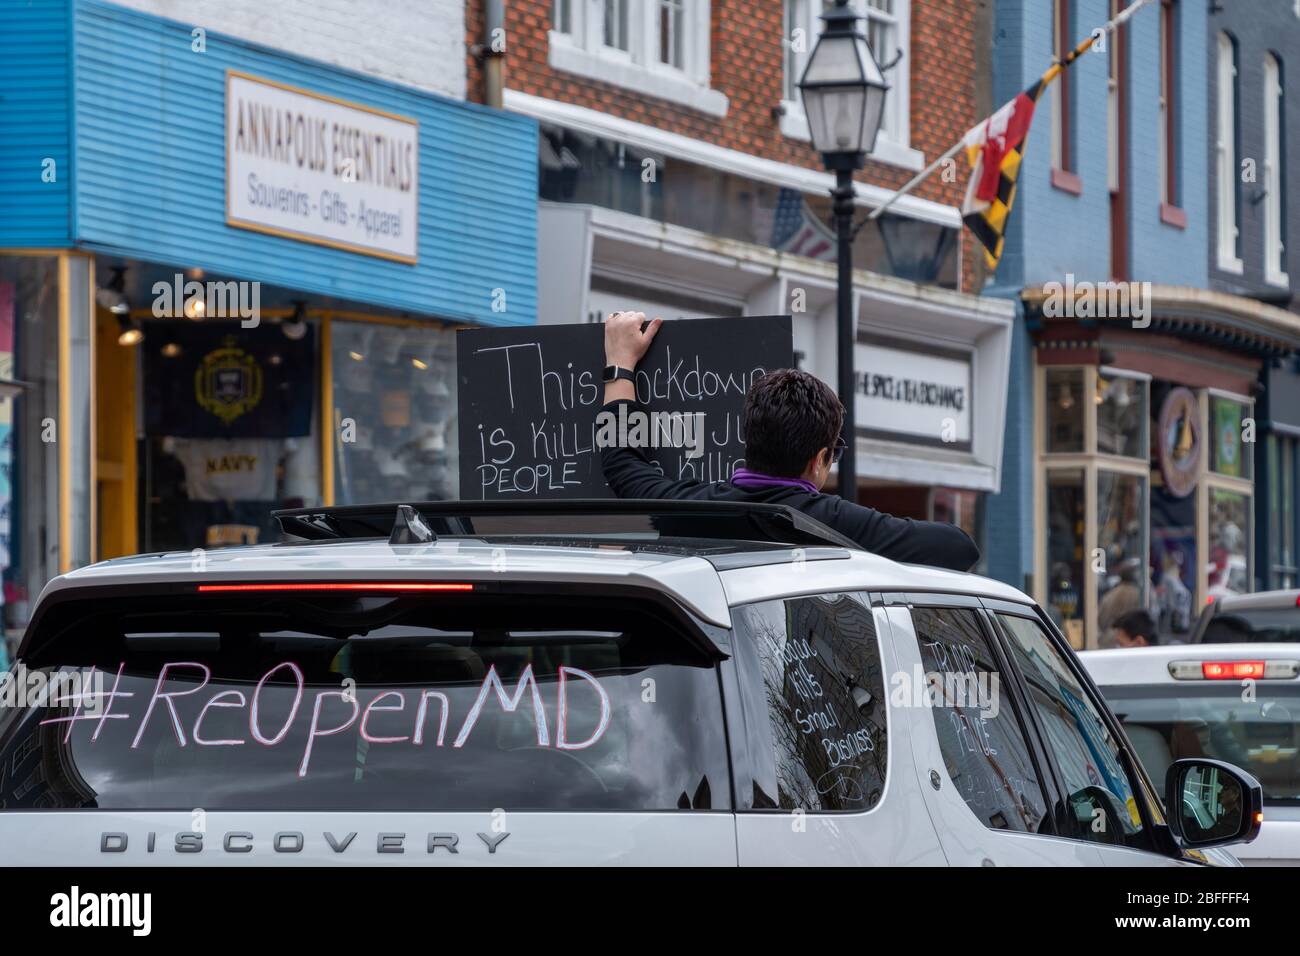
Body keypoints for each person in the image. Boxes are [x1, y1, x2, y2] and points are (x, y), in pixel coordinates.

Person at [599, 310, 981, 571]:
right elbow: (959, 548)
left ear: (747, 438)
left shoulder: (695, 509)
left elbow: (623, 463)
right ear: (818, 459)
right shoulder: (835, 524)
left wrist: (621, 363)